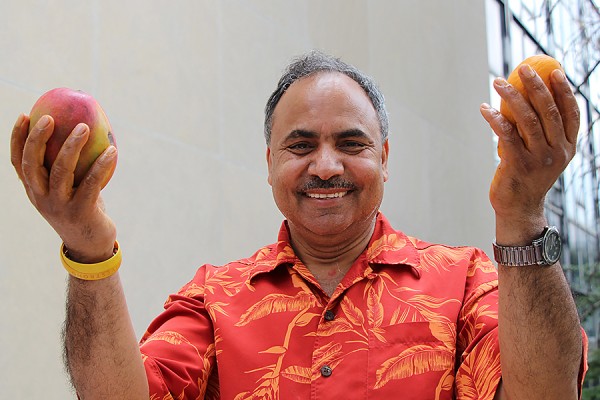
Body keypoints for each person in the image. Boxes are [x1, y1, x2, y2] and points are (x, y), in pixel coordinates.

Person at [10, 51, 586, 399]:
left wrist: (522, 214)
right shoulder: (213, 300)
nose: (327, 165)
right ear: (270, 165)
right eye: (301, 145)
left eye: (352, 143)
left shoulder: (468, 284)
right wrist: (88, 246)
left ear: (384, 159)